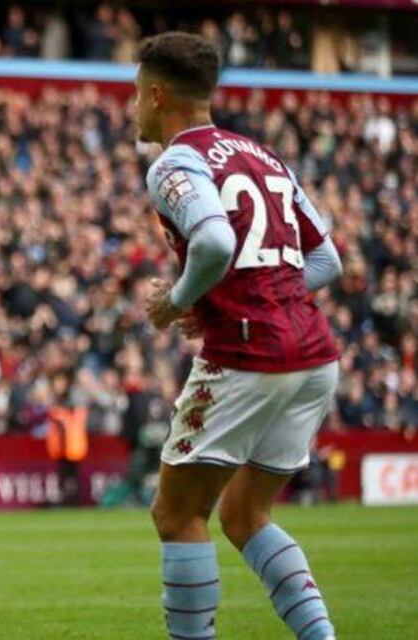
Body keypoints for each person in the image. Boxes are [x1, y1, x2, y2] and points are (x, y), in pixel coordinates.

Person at [137, 32, 341, 640]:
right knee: (246, 513)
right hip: (313, 354)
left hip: (250, 355)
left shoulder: (174, 162)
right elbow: (326, 259)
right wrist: (240, 298)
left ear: (157, 95)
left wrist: (178, 302)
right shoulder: (261, 154)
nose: (134, 107)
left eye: (136, 93)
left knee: (176, 513)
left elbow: (216, 241)